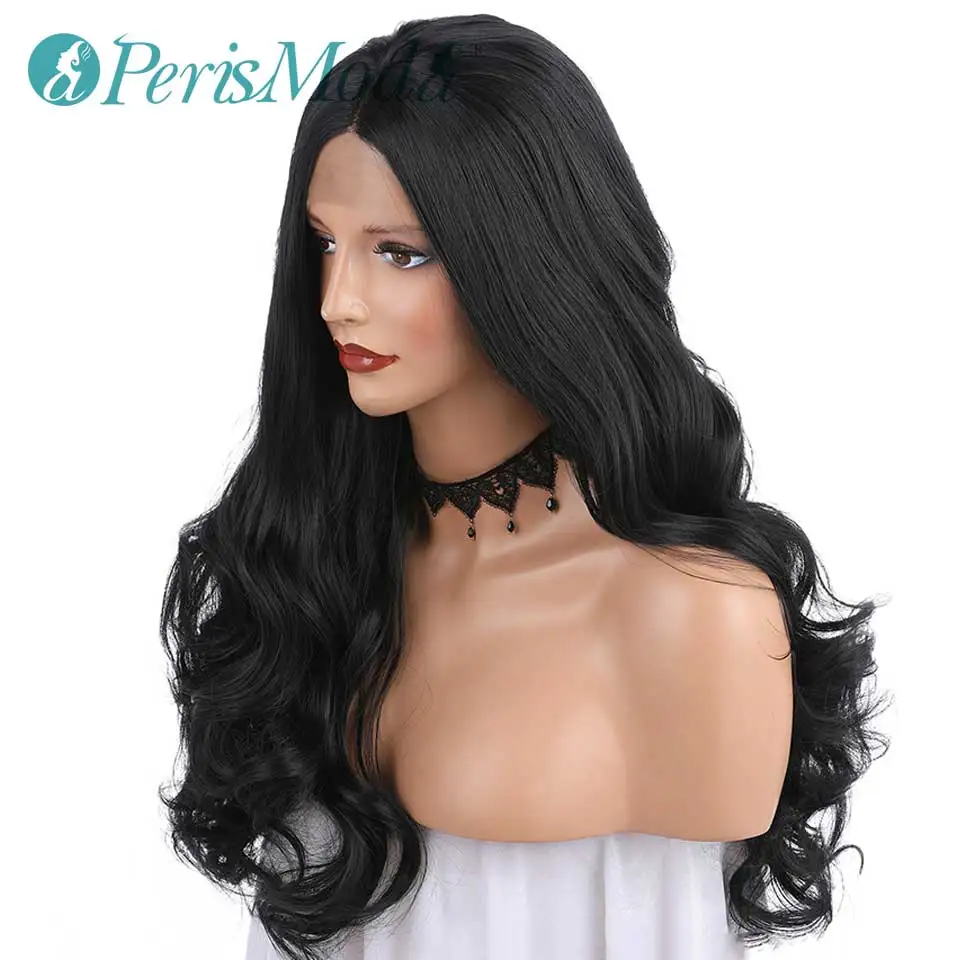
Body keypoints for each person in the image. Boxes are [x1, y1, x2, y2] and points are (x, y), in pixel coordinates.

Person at [159, 13, 892, 959]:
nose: (339, 300)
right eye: (323, 244)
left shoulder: (689, 613)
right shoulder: (307, 571)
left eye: (399, 252)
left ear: (529, 260)